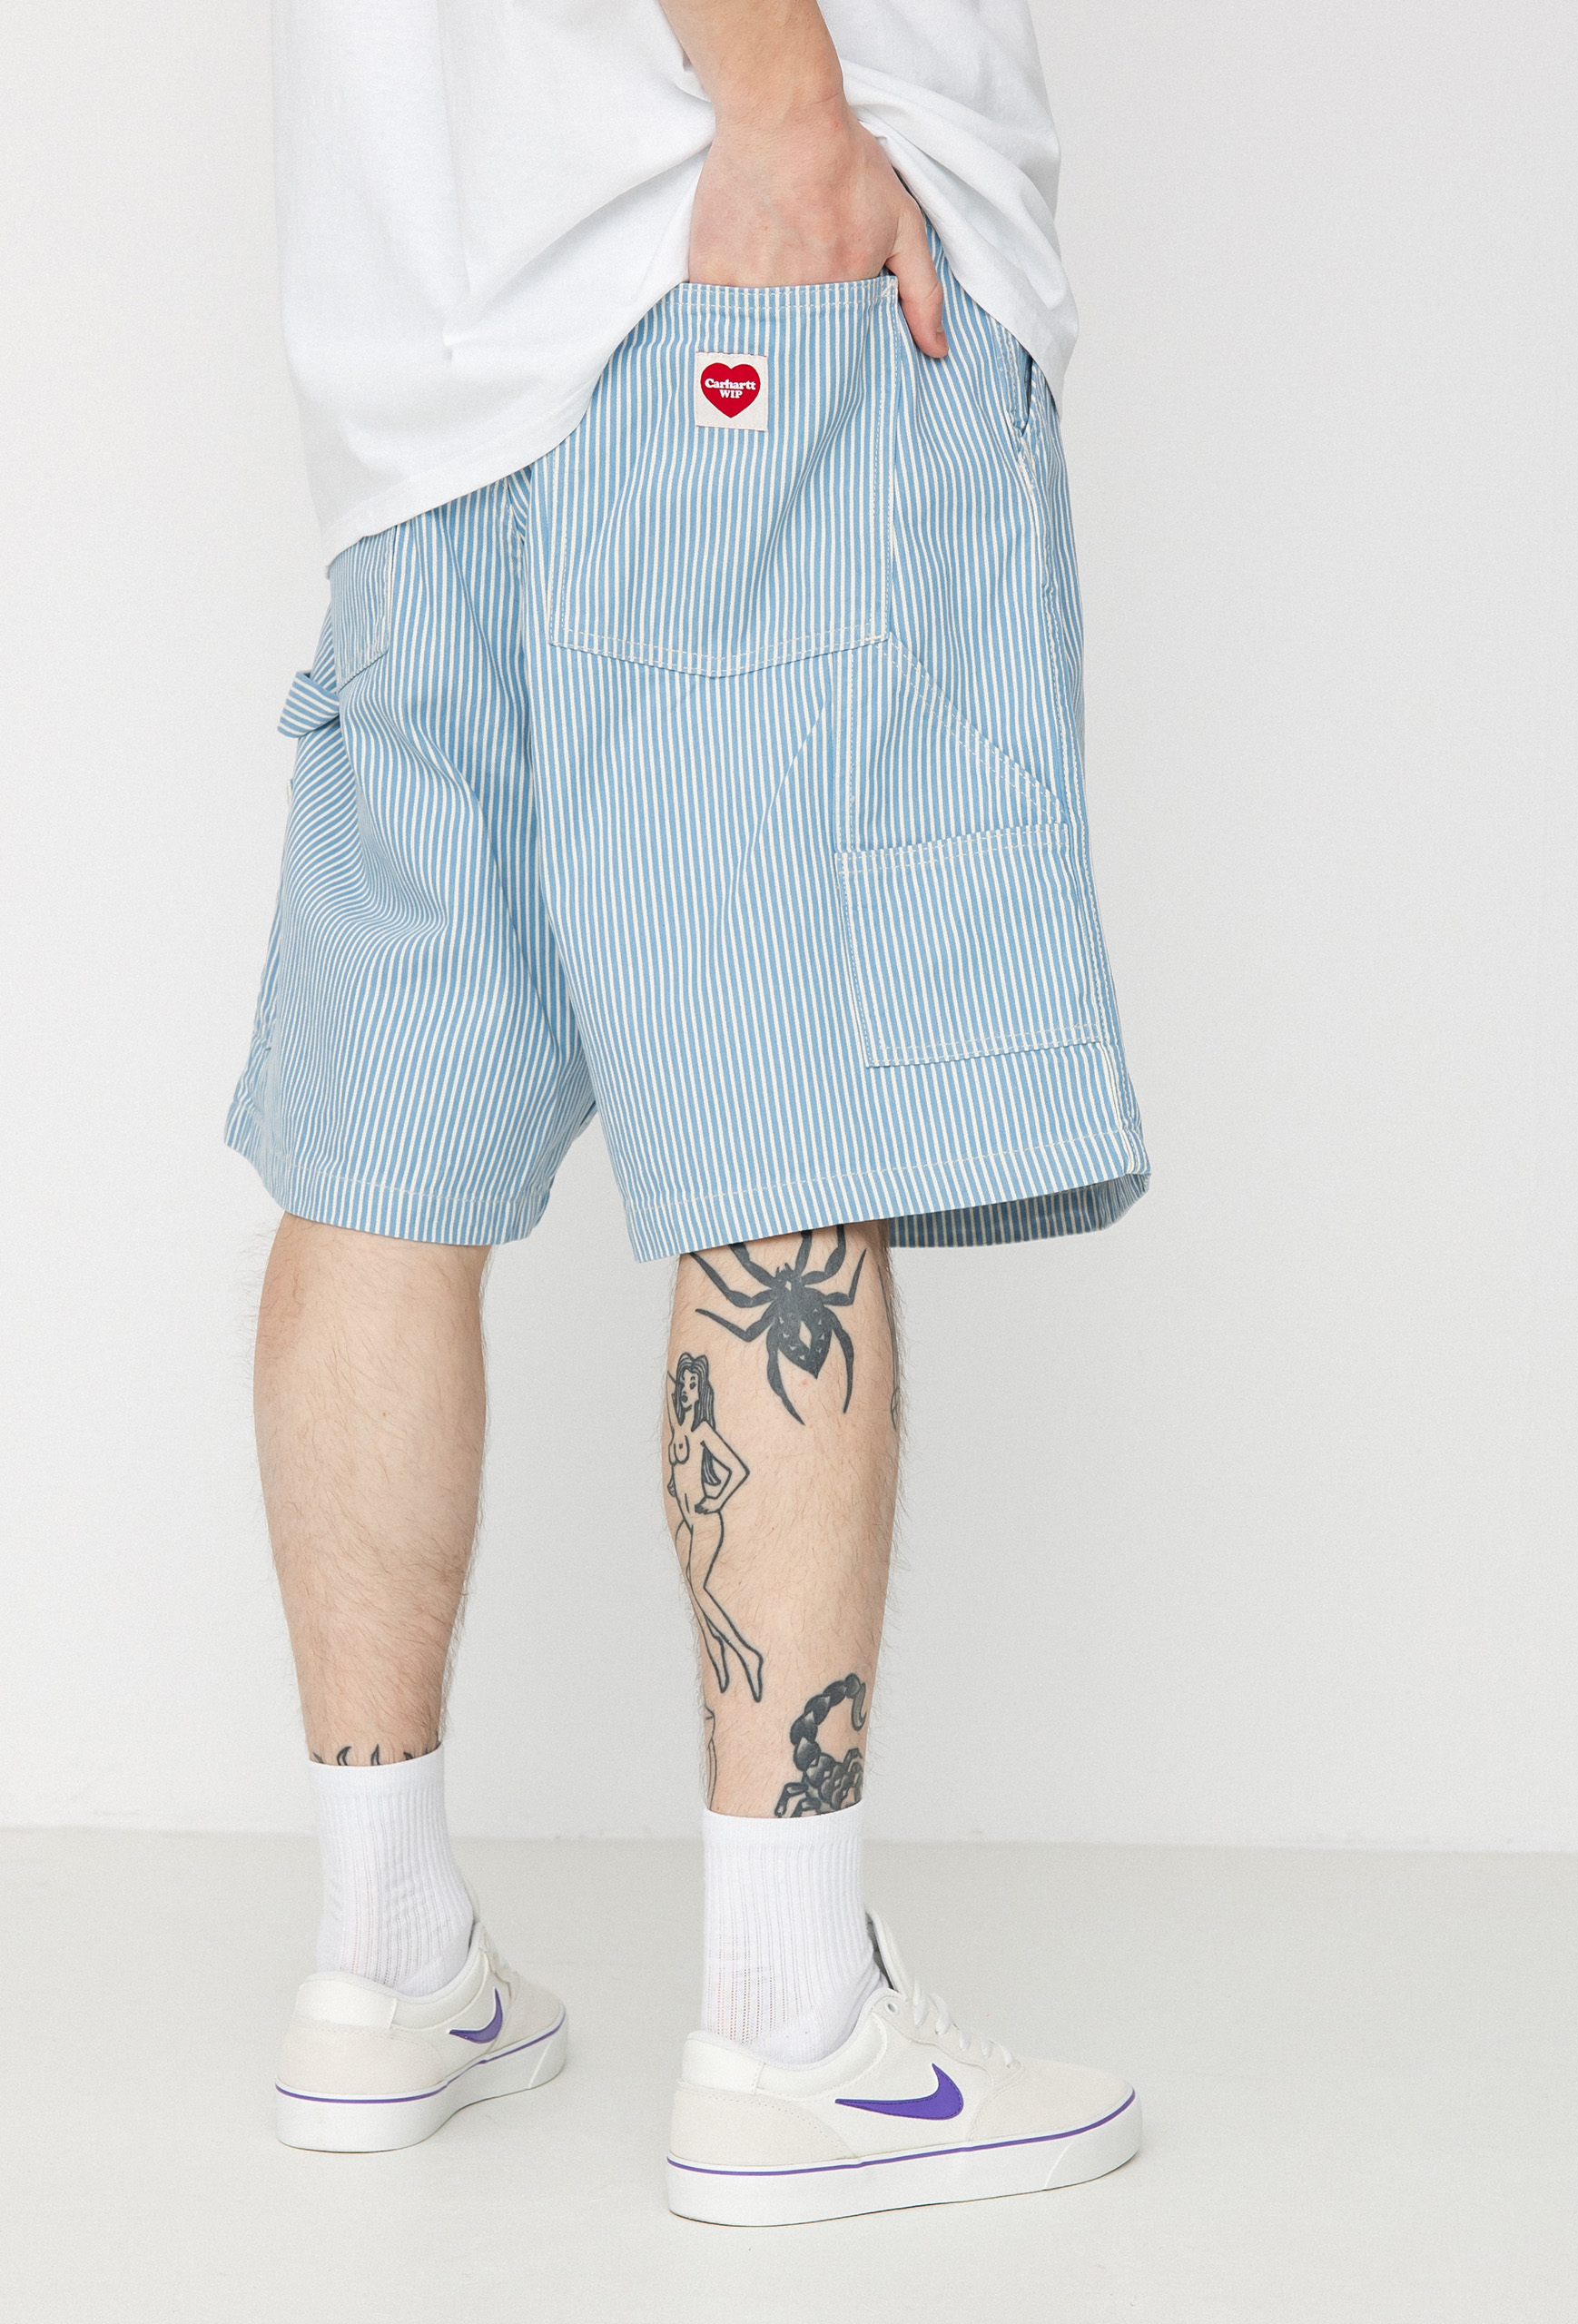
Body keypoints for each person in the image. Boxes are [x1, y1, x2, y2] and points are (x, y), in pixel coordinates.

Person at [239, 0, 1149, 2224]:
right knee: (790, 1105)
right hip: (719, 263)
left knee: (389, 1154)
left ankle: (381, 1953)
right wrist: (786, 107)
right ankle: (792, 2023)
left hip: (426, 349)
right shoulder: (759, 155)